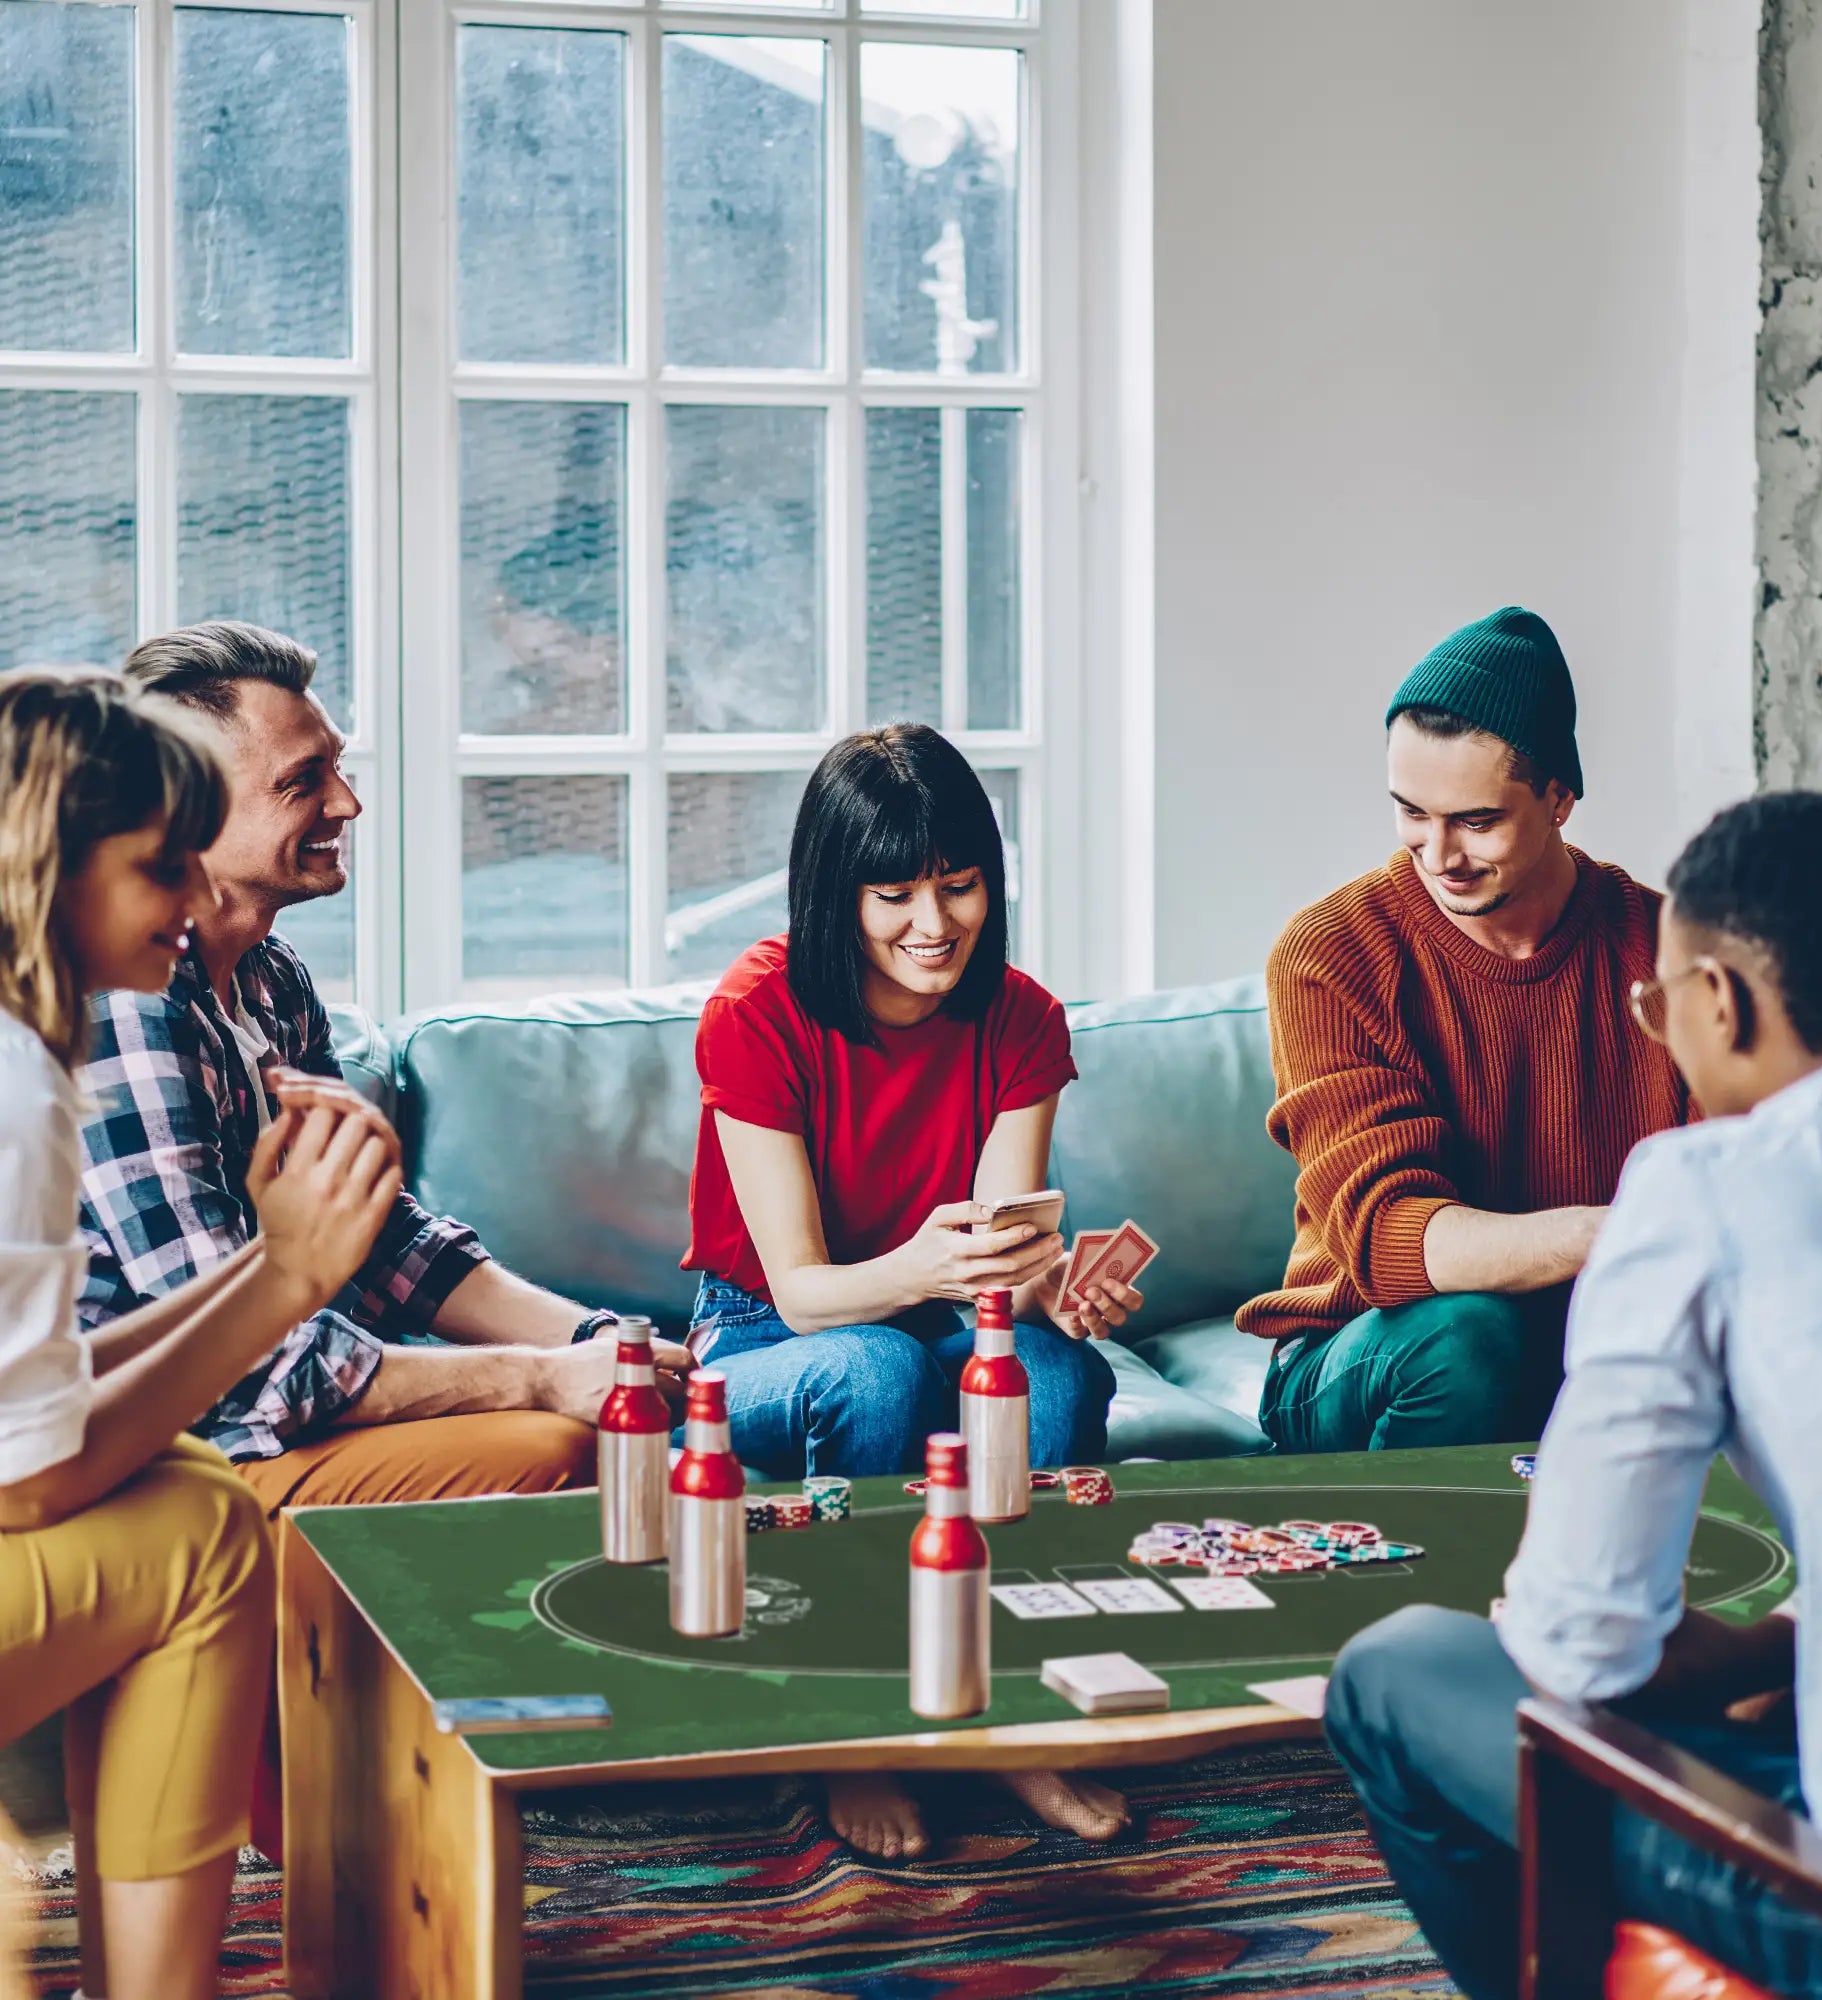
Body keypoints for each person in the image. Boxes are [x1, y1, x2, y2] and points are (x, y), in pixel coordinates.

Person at [1322, 791, 1822, 2000]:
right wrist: (1769, 1642)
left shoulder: (1701, 1191)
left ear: (1719, 1002)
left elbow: (1576, 1648)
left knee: (1399, 1668)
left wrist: (1678, 1656)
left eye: (1659, 1002)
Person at [74, 621, 689, 1519]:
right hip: (163, 1448)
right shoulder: (127, 1005)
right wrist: (541, 1378)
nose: (348, 804)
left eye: (337, 765)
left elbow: (382, 1241)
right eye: (302, 782)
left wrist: (603, 1340)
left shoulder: (273, 980)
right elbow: (236, 1361)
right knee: (558, 1442)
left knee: (608, 1409)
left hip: (270, 1404)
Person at [0, 670, 400, 2000]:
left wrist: (288, 1270)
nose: (189, 901)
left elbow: (41, 1392)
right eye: (158, 867)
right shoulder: (17, 1082)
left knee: (187, 1490)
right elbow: (34, 1481)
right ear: (47, 869)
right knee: (206, 1530)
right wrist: (285, 1282)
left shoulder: (32, 1052)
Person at [685, 721, 1137, 1860]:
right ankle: (858, 1722)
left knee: (1057, 1372)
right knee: (872, 1367)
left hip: (940, 1312)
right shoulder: (756, 1009)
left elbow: (997, 1258)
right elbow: (796, 1292)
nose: (931, 925)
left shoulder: (1022, 1017)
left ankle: (1012, 1709)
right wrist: (927, 1270)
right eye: (891, 893)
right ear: (834, 893)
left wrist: (1051, 1292)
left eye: (958, 885)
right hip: (765, 1332)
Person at [1241, 607, 1688, 1452]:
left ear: (1559, 799)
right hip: (1372, 1348)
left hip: (1598, 1342)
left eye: (1475, 822)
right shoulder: (1330, 954)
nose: (1436, 853)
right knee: (1470, 1336)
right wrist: (1616, 1231)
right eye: (1411, 812)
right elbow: (1387, 1239)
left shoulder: (1672, 951)